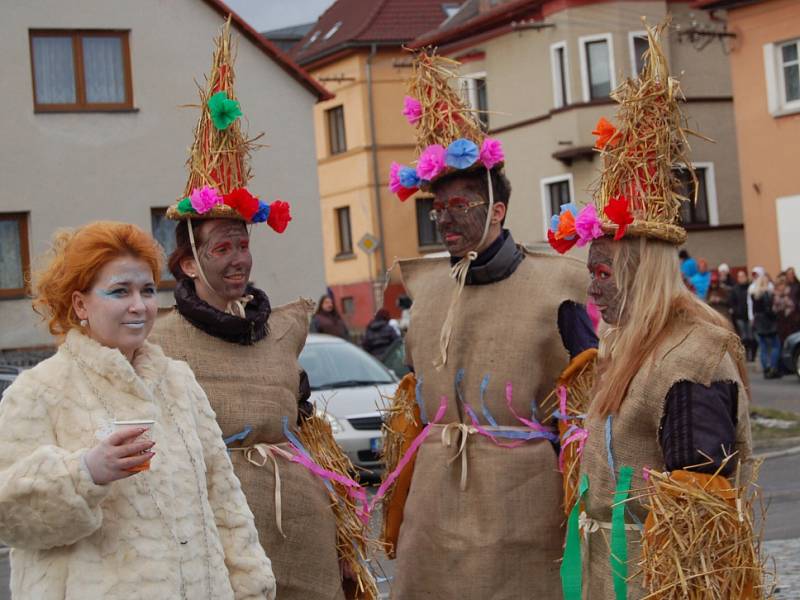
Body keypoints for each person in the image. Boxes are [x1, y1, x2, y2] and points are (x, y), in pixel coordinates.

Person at [149, 20, 373, 600]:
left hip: (297, 526)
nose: (238, 259)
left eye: (243, 244)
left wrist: (345, 540)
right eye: (222, 247)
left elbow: (311, 434)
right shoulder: (161, 341)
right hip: (214, 530)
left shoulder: (282, 331)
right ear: (190, 264)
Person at [552, 23, 759, 598]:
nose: (592, 290)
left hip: (653, 580)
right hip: (610, 572)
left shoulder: (693, 357)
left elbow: (702, 512)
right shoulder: (630, 342)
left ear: (641, 272)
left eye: (602, 272)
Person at [383, 51, 586, 599]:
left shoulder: (558, 287)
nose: (445, 218)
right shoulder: (426, 292)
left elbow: (587, 398)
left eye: (460, 205)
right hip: (436, 492)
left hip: (520, 495)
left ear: (496, 210)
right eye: (437, 207)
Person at [0, 222, 274, 600]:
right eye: (119, 291)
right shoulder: (39, 391)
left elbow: (224, 501)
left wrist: (251, 586)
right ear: (80, 304)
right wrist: (85, 473)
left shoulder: (178, 382)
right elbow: (8, 516)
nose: (139, 306)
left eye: (147, 290)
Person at [749, 271, 782, 378]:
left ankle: (766, 369)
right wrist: (775, 316)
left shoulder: (754, 295)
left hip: (758, 321)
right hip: (768, 322)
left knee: (763, 346)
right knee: (775, 345)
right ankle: (773, 368)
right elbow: (769, 310)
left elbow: (753, 310)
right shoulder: (767, 294)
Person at [730, 269, 757, 361]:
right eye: (739, 277)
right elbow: (732, 302)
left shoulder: (750, 287)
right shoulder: (735, 289)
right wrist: (736, 310)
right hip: (739, 316)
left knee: (751, 337)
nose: (741, 278)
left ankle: (752, 355)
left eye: (743, 276)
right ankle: (745, 356)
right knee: (744, 337)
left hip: (749, 316)